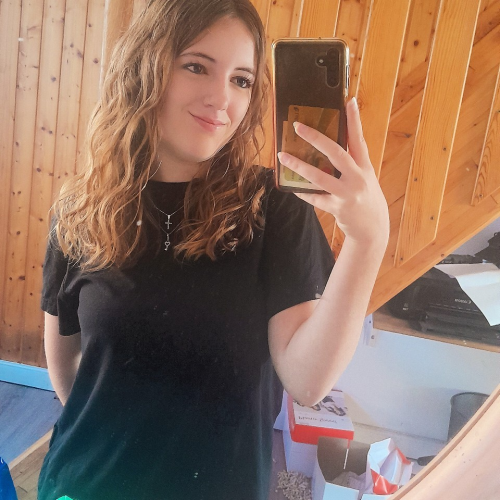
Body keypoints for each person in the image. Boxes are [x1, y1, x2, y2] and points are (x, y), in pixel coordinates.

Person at [39, 0, 389, 498]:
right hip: (86, 483)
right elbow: (67, 372)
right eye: (197, 66)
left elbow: (308, 381)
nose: (221, 98)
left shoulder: (275, 210)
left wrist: (368, 240)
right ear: (145, 68)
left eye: (241, 80)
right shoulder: (80, 210)